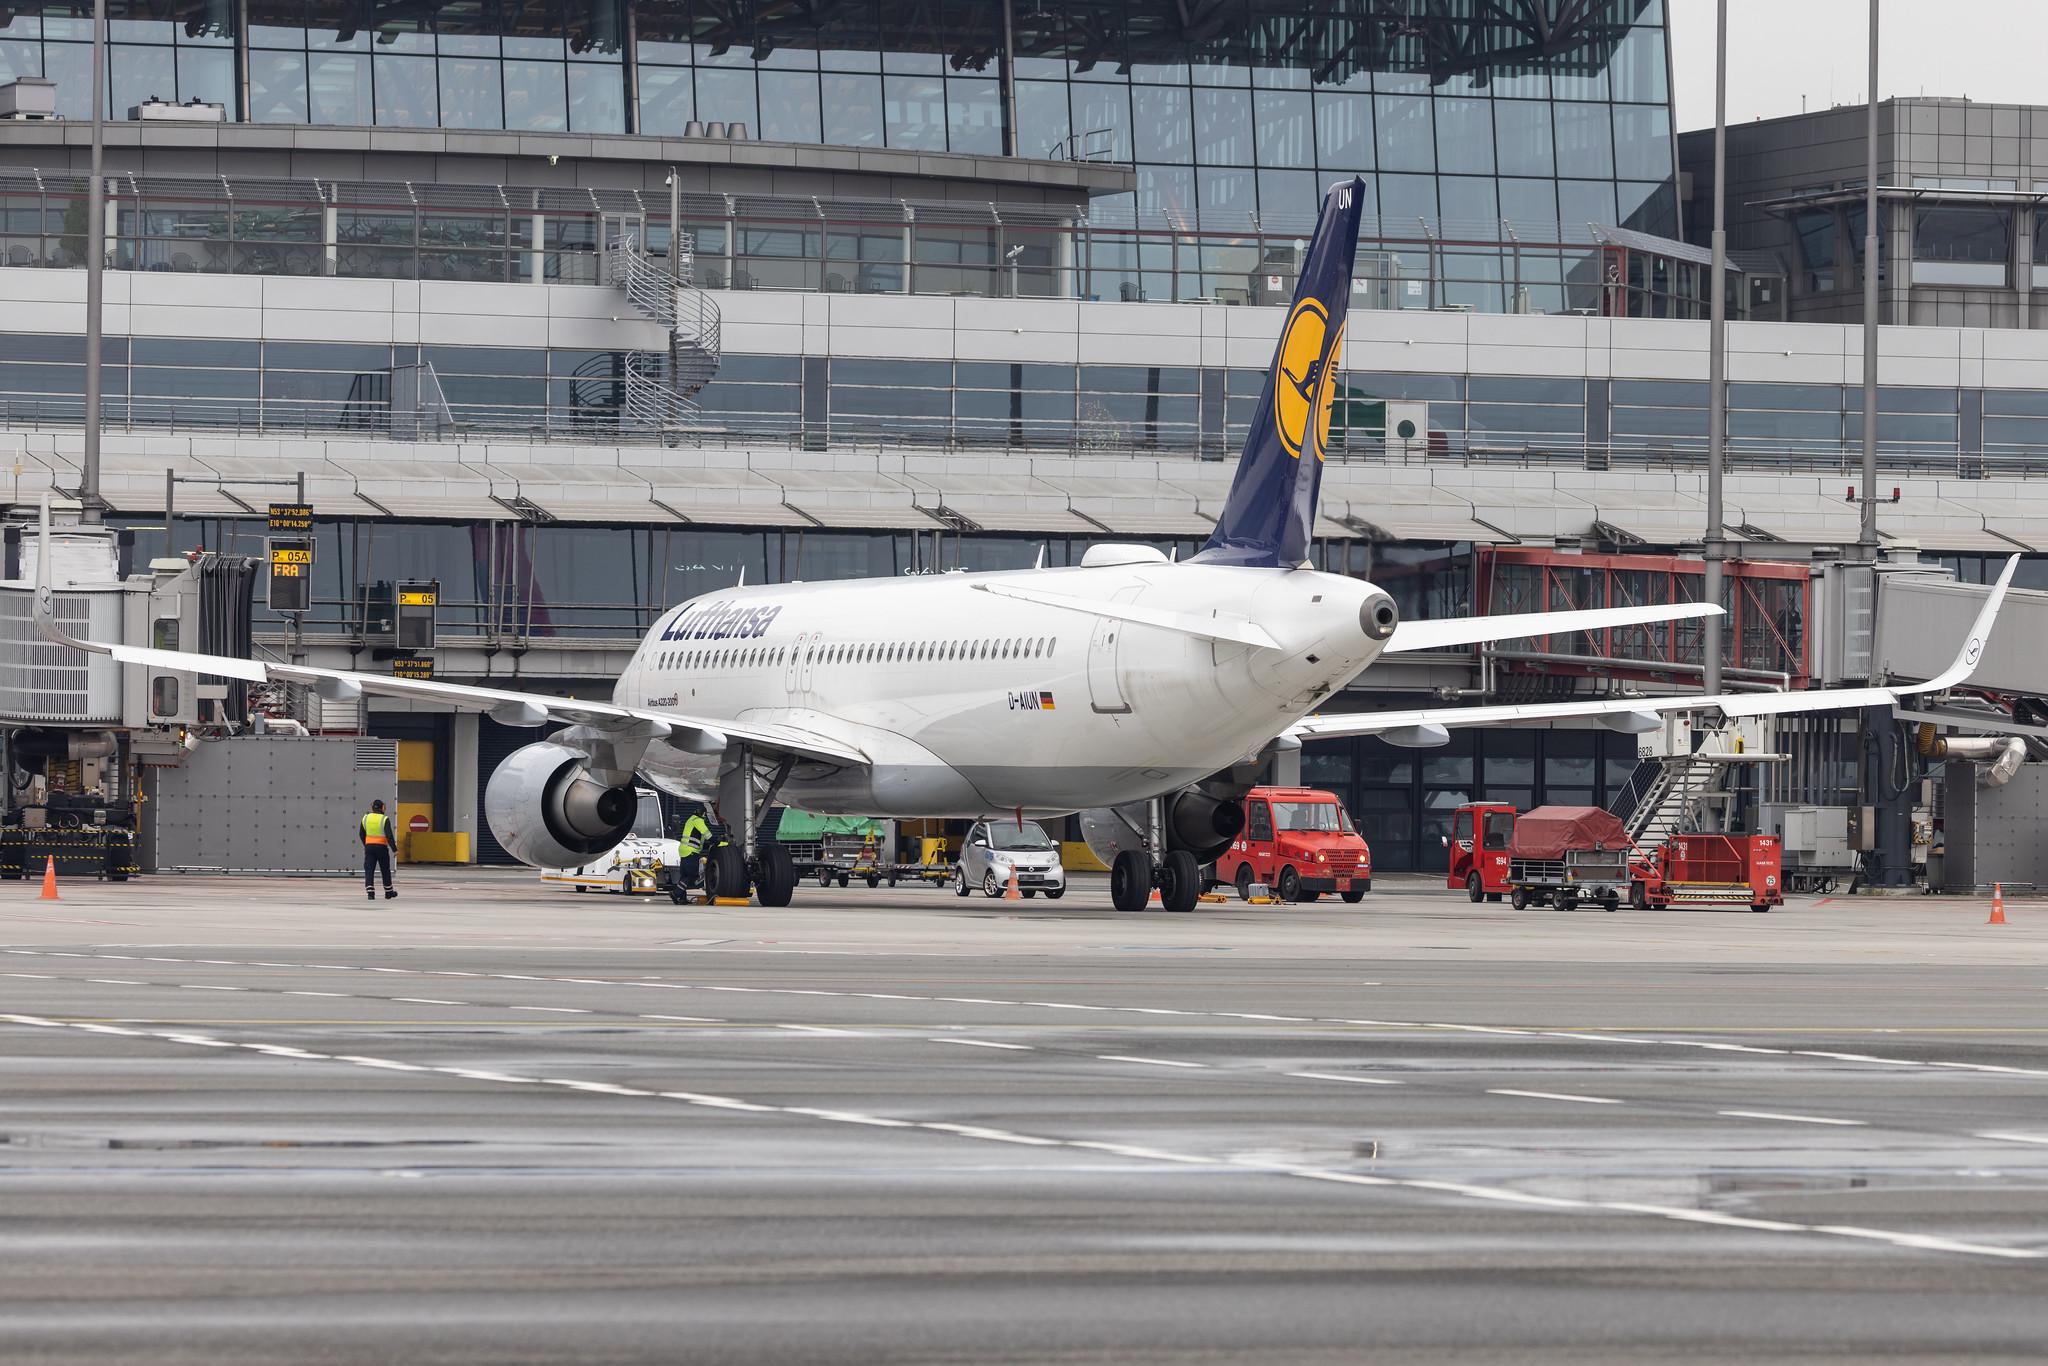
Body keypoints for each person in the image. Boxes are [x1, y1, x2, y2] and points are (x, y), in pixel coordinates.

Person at [360, 798, 397, 901]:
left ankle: (370, 893)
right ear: (382, 808)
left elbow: (361, 834)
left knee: (369, 870)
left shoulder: (365, 818)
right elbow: (389, 836)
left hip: (369, 848)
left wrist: (366, 845)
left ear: (372, 807)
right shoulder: (384, 819)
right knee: (385, 870)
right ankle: (388, 892)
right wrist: (394, 849)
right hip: (381, 848)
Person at [675, 808, 711, 890]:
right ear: (703, 814)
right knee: (692, 875)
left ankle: (680, 896)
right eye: (705, 815)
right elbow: (707, 834)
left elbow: (695, 839)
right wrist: (717, 841)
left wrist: (707, 845)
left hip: (685, 851)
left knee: (685, 876)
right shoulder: (698, 820)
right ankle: (677, 893)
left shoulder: (691, 819)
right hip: (691, 851)